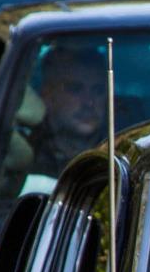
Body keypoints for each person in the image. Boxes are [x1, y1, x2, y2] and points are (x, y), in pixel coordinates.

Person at [22, 45, 110, 181]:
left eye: (98, 91)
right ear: (47, 94)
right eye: (75, 89)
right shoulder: (24, 154)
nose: (89, 102)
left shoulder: (124, 153)